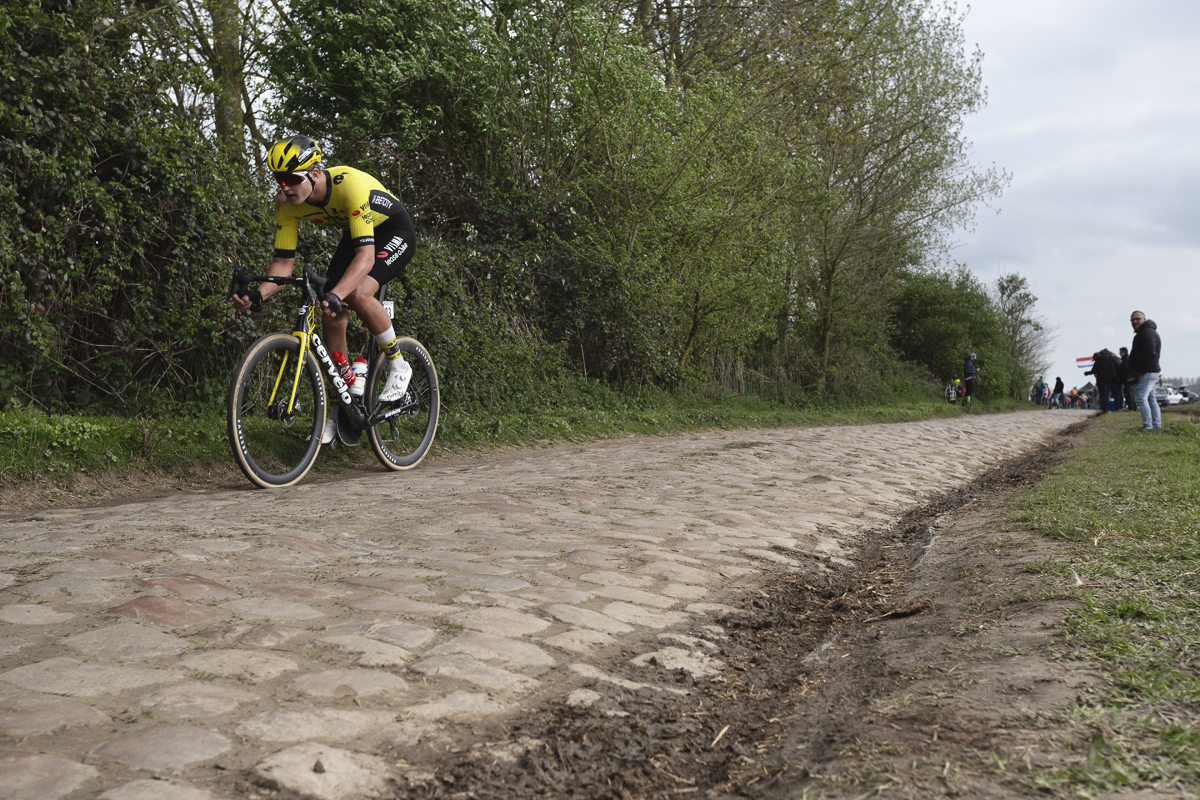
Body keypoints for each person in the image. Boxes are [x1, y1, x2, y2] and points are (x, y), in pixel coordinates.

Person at [233, 136, 418, 443]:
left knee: (357, 294)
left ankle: (398, 363)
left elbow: (366, 257)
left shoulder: (349, 185)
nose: (285, 187)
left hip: (393, 230)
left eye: (292, 178)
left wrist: (338, 293)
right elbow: (282, 263)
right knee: (331, 312)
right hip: (356, 232)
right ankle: (341, 409)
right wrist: (258, 295)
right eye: (279, 180)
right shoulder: (287, 206)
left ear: (315, 172)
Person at [1128, 310, 1162, 430]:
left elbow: (1150, 353)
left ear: (1144, 319)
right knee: (1151, 399)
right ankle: (1156, 425)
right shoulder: (1145, 333)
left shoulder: (1147, 333)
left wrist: (1142, 370)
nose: (1135, 321)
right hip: (1151, 371)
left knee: (1141, 399)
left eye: (1137, 318)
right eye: (1132, 320)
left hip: (1147, 372)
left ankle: (1148, 426)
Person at [1084, 349, 1121, 414]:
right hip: (1113, 379)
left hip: (1103, 380)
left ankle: (1105, 410)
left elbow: (1094, 370)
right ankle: (1118, 408)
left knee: (1104, 395)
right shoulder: (1114, 358)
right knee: (1116, 394)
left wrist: (1086, 373)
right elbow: (1119, 367)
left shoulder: (1099, 359)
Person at [1118, 347, 1135, 411]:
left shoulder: (1126, 360)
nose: (1119, 354)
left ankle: (1131, 407)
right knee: (1130, 393)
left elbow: (1125, 369)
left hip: (1127, 379)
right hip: (1128, 378)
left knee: (1129, 393)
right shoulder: (1127, 359)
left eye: (1120, 352)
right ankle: (1132, 406)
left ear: (1123, 352)